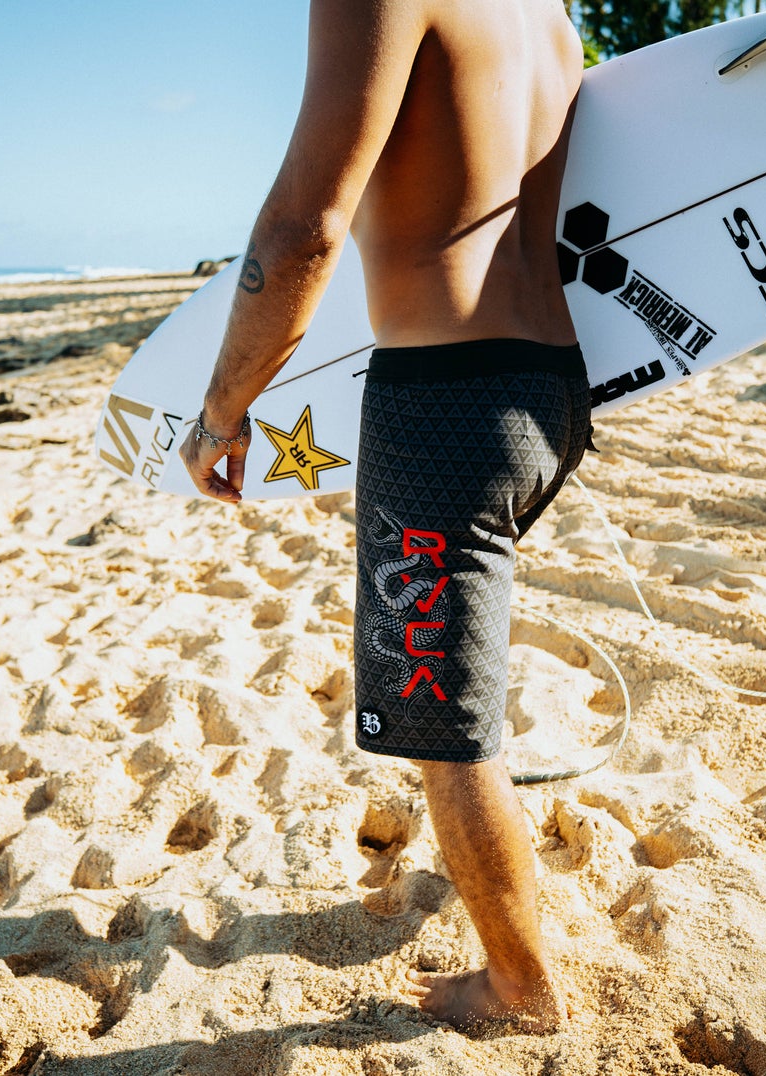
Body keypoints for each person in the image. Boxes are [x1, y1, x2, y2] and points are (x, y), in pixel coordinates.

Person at [177, 0, 588, 1033]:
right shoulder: (547, 10)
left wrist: (223, 408)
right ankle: (496, 893)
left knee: (442, 723)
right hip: (550, 386)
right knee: (458, 658)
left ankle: (518, 986)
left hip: (445, 406)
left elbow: (302, 230)